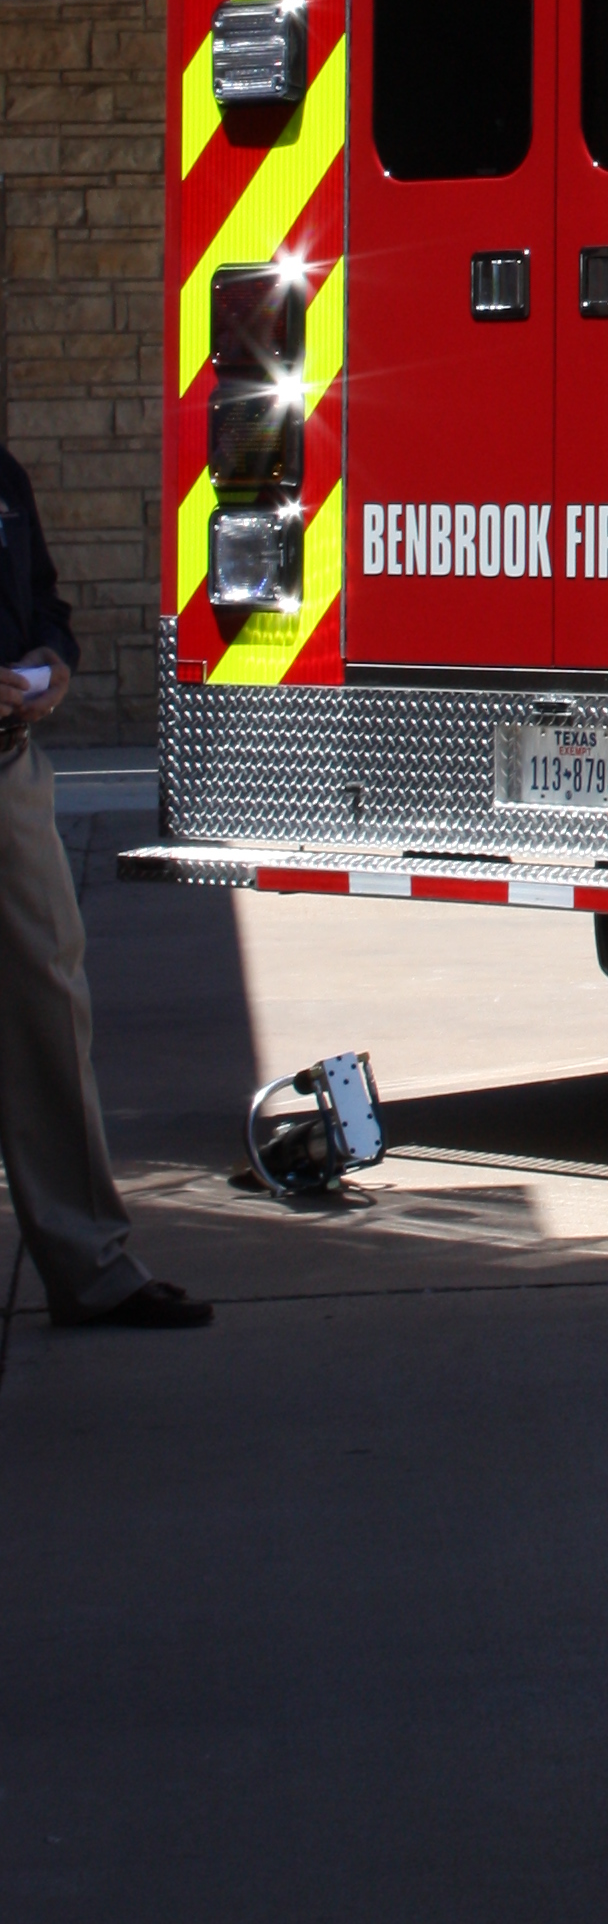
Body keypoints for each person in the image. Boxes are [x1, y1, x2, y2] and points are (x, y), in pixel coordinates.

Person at [0, 439, 211, 1334]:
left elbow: (47, 601)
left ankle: (92, 1268)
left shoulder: (4, 477)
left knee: (50, 1004)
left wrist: (51, 664)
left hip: (10, 770)